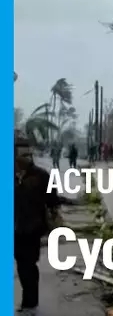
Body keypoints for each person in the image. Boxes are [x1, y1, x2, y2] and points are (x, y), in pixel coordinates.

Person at [15, 135, 61, 315]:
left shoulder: (41, 176)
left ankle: (30, 303)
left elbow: (52, 200)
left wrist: (53, 217)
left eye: (26, 154)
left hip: (31, 228)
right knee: (21, 264)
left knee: (27, 266)